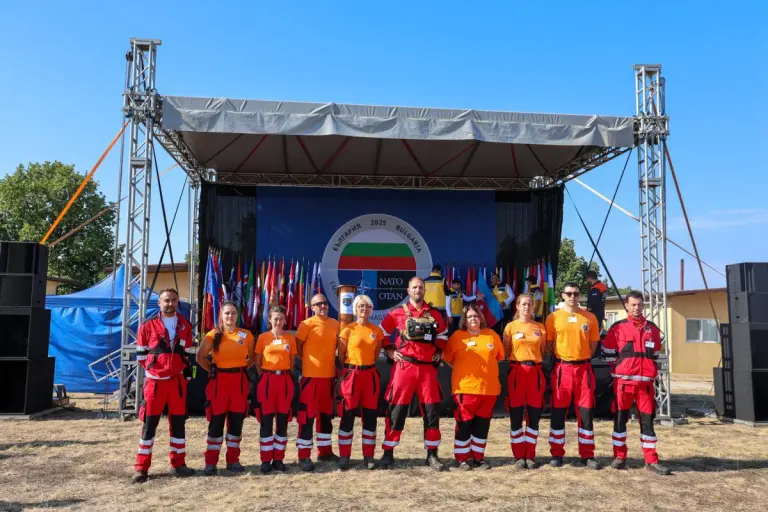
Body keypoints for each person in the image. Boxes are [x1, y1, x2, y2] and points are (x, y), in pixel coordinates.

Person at [378, 276, 449, 471]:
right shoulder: (396, 312)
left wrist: (439, 351)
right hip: (404, 367)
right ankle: (388, 452)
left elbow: (443, 335)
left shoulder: (434, 313)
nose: (418, 290)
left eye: (421, 287)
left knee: (431, 411)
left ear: (424, 290)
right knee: (397, 410)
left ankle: (432, 453)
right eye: (415, 287)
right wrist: (389, 350)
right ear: (408, 291)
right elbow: (382, 333)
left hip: (427, 369)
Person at [603, 291, 671, 476]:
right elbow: (609, 354)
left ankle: (651, 460)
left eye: (640, 304)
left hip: (645, 386)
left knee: (648, 422)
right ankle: (619, 457)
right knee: (620, 420)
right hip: (623, 384)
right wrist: (623, 370)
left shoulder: (653, 329)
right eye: (633, 304)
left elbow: (655, 354)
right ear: (627, 306)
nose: (637, 308)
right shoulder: (617, 328)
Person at [132, 289, 196, 483]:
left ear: (178, 302)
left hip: (177, 383)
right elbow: (141, 355)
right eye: (166, 300)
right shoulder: (147, 325)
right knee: (149, 425)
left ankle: (178, 464)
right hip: (155, 383)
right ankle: (141, 468)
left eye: (174, 300)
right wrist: (155, 369)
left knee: (178, 425)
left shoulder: (185, 325)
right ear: (159, 303)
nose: (170, 303)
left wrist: (181, 373)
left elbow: (188, 354)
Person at [545, 282, 602, 470]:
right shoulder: (553, 317)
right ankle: (556, 453)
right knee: (558, 412)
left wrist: (580, 357)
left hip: (583, 369)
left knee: (585, 413)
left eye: (576, 294)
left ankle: (587, 454)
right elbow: (549, 344)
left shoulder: (590, 317)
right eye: (569, 293)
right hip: (562, 369)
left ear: (580, 295)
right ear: (562, 295)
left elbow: (593, 345)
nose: (572, 297)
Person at [197, 301, 255, 475]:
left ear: (238, 315)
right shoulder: (213, 335)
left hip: (239, 382)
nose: (230, 316)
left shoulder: (246, 335)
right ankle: (211, 462)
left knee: (236, 422)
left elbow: (253, 358)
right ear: (221, 316)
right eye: (227, 313)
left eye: (233, 313)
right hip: (219, 383)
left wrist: (241, 368)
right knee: (216, 422)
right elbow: (200, 357)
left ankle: (233, 460)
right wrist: (212, 370)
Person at [443, 303, 504, 470]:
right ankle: (462, 459)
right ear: (464, 320)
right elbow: (447, 358)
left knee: (482, 425)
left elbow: (499, 357)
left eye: (476, 316)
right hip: (465, 389)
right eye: (469, 316)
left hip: (488, 389)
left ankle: (478, 458)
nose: (473, 319)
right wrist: (462, 369)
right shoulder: (457, 337)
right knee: (464, 424)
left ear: (481, 318)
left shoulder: (491, 335)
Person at [337, 294, 386, 470]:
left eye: (367, 306)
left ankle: (368, 456)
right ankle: (344, 456)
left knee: (370, 416)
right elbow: (341, 355)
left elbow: (376, 353)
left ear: (371, 310)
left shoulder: (376, 331)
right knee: (347, 414)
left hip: (369, 376)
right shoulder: (348, 330)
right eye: (361, 306)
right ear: (355, 309)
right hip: (351, 375)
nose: (364, 309)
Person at [294, 293, 340, 472]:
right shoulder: (306, 324)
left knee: (326, 416)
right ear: (312, 307)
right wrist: (309, 363)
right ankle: (304, 455)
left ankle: (325, 452)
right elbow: (298, 348)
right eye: (318, 304)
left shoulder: (335, 324)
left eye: (325, 303)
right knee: (307, 417)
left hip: (329, 378)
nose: (322, 306)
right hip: (310, 378)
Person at [503, 294, 547, 469]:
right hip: (517, 372)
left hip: (535, 373)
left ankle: (530, 455)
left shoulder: (540, 327)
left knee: (534, 416)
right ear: (517, 306)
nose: (527, 307)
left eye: (529, 304)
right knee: (516, 416)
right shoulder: (510, 327)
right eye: (523, 304)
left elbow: (542, 350)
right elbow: (507, 349)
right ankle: (518, 456)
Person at [254, 306, 297, 474]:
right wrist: (266, 375)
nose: (279, 322)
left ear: (285, 320)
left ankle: (278, 459)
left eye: (281, 318)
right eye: (275, 318)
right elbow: (257, 361)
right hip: (267, 380)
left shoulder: (290, 339)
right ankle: (265, 460)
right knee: (266, 421)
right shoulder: (263, 338)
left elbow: (292, 362)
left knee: (282, 421)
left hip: (284, 381)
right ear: (270, 320)